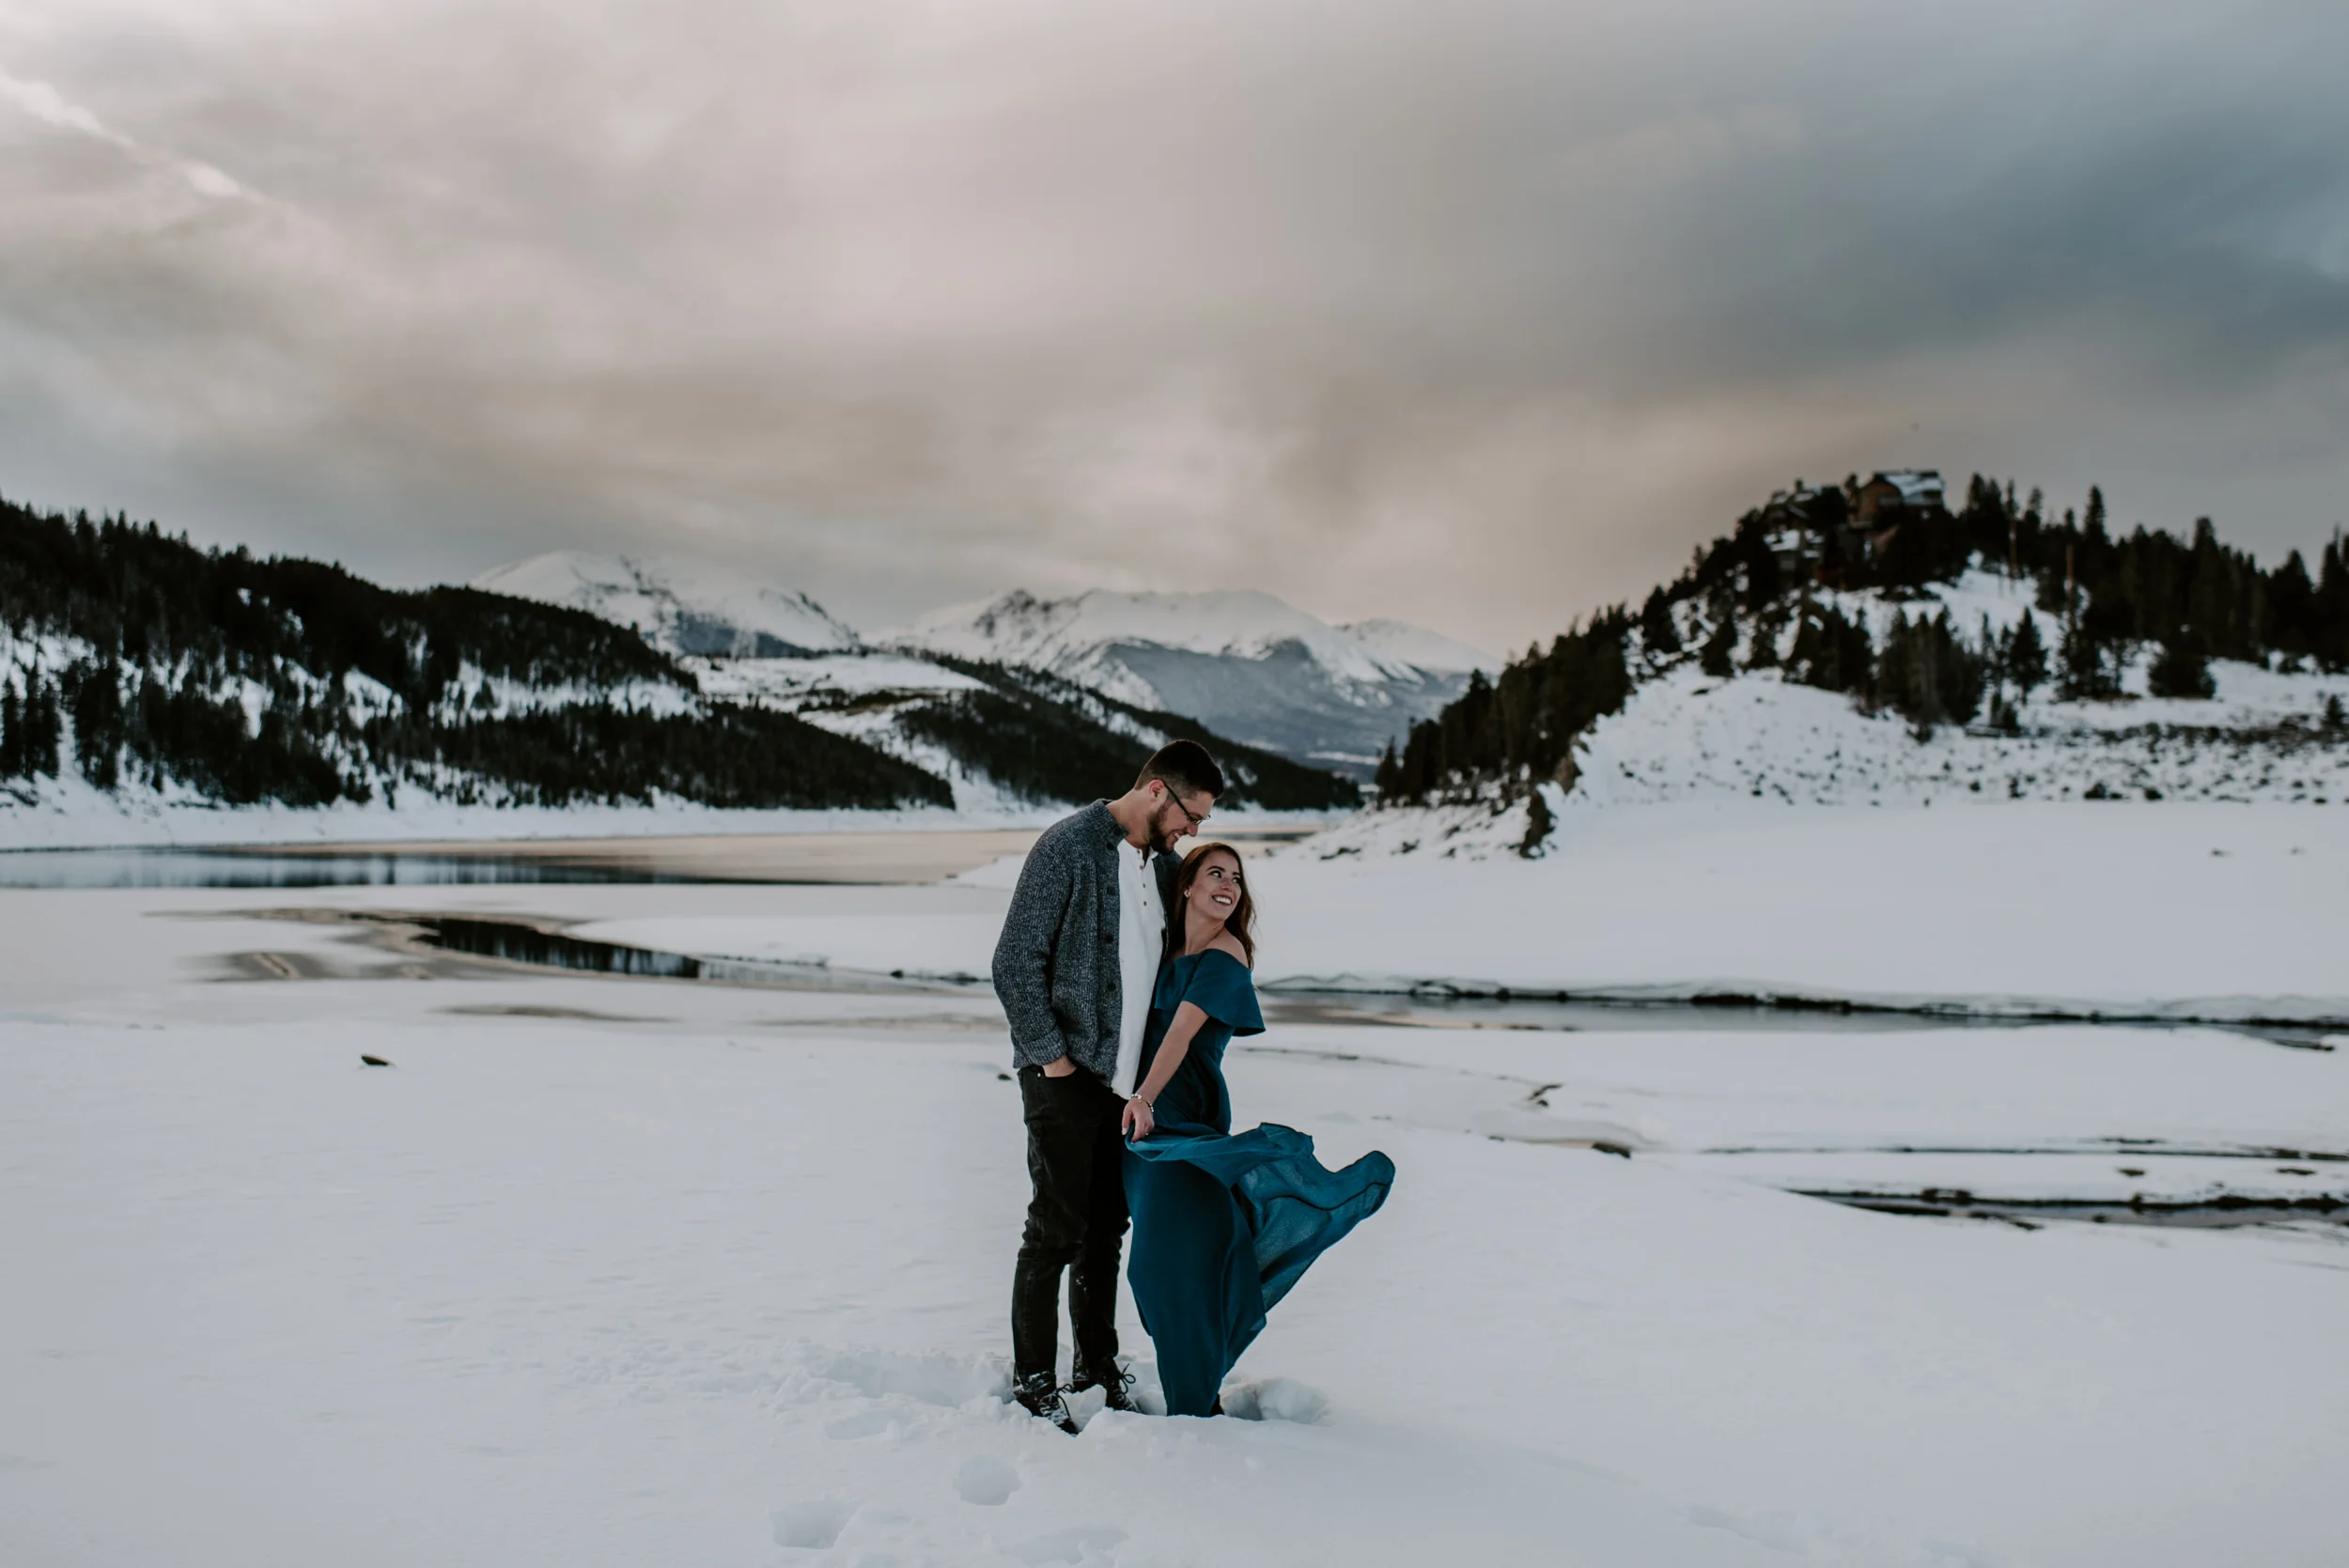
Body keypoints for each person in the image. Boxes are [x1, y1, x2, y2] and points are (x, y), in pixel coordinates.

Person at [992, 740, 1224, 1433]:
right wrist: (1053, 1059)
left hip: (1126, 1087)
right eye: (1191, 814)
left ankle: (1096, 1365)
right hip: (1063, 1075)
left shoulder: (1169, 868)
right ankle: (1035, 1382)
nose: (1194, 830)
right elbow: (1013, 962)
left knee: (1105, 1232)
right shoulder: (1067, 848)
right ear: (1157, 791)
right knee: (1054, 1229)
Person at [1120, 842, 1395, 1418]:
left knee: (1171, 1260)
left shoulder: (1227, 954)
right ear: (1188, 885)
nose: (1229, 886)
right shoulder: (1165, 948)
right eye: (1215, 874)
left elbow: (1181, 1033)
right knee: (1155, 1267)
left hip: (1180, 1121)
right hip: (1143, 1124)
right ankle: (1196, 1392)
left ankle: (1194, 1408)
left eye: (1237, 879)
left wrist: (1143, 1095)